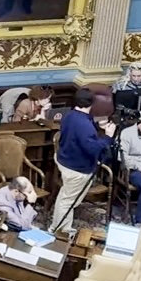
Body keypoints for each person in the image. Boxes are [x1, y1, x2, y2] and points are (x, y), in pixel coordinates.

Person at [50, 89, 113, 233]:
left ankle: (59, 226)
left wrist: (97, 125)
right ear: (92, 103)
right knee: (68, 201)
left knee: (65, 197)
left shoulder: (69, 115)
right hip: (77, 168)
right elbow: (92, 149)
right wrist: (108, 137)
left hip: (65, 160)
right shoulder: (84, 125)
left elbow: (81, 131)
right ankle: (60, 231)